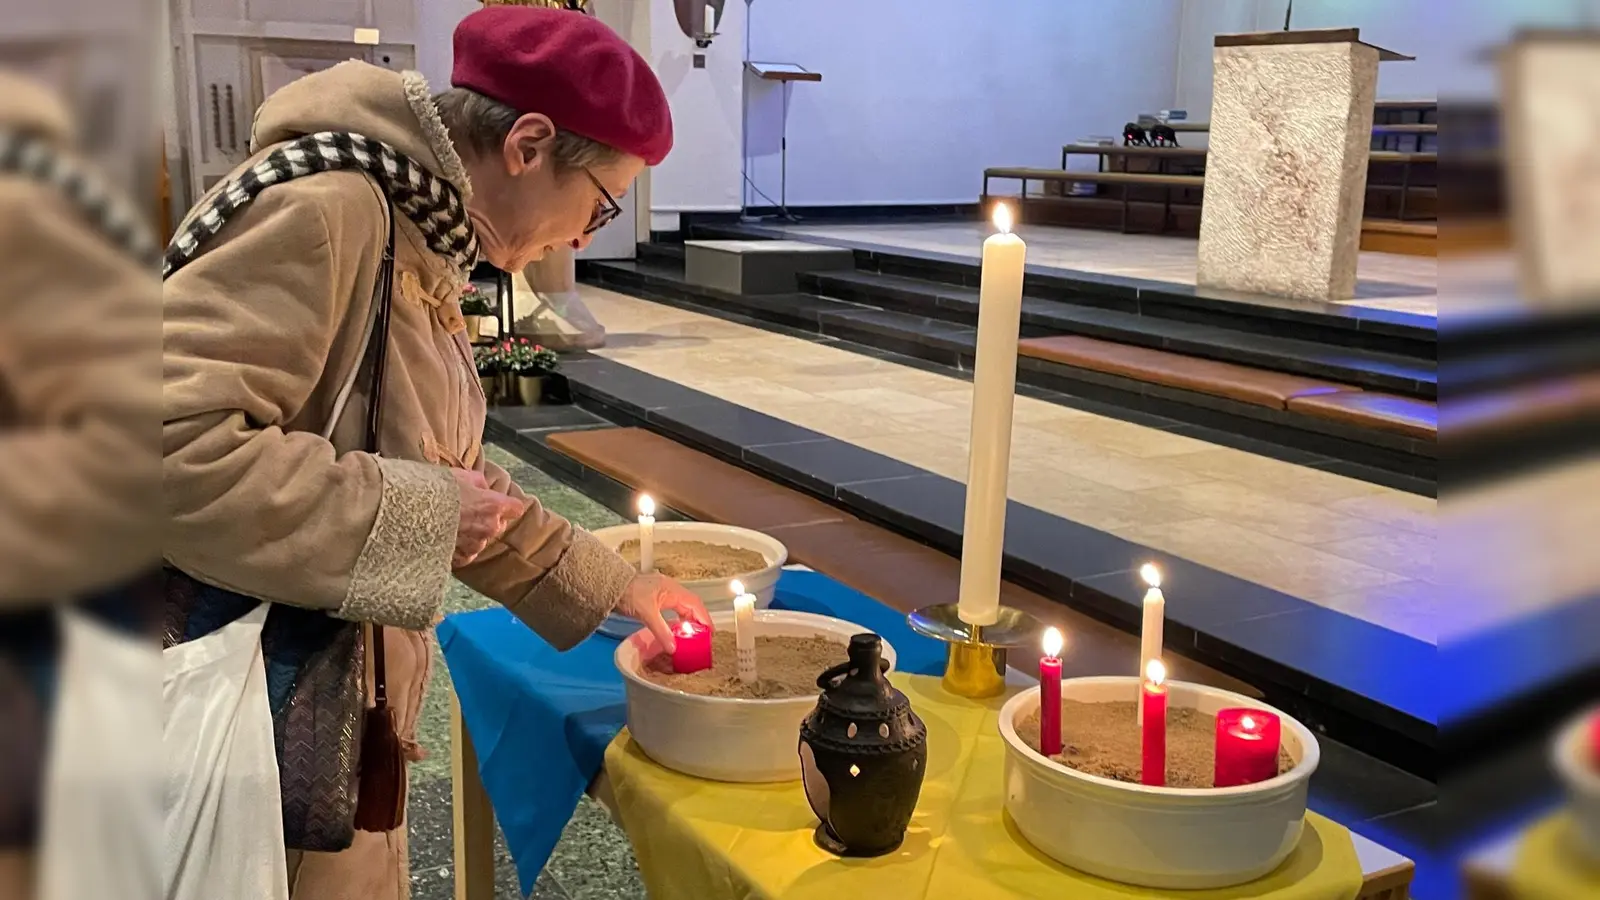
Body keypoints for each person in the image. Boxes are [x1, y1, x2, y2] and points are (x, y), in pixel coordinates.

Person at [161, 7, 701, 897]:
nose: (583, 237)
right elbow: (162, 446)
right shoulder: (335, 209)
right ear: (527, 143)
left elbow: (436, 474)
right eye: (600, 204)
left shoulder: (416, 227)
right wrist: (429, 512)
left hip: (338, 714)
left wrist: (617, 587)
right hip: (256, 715)